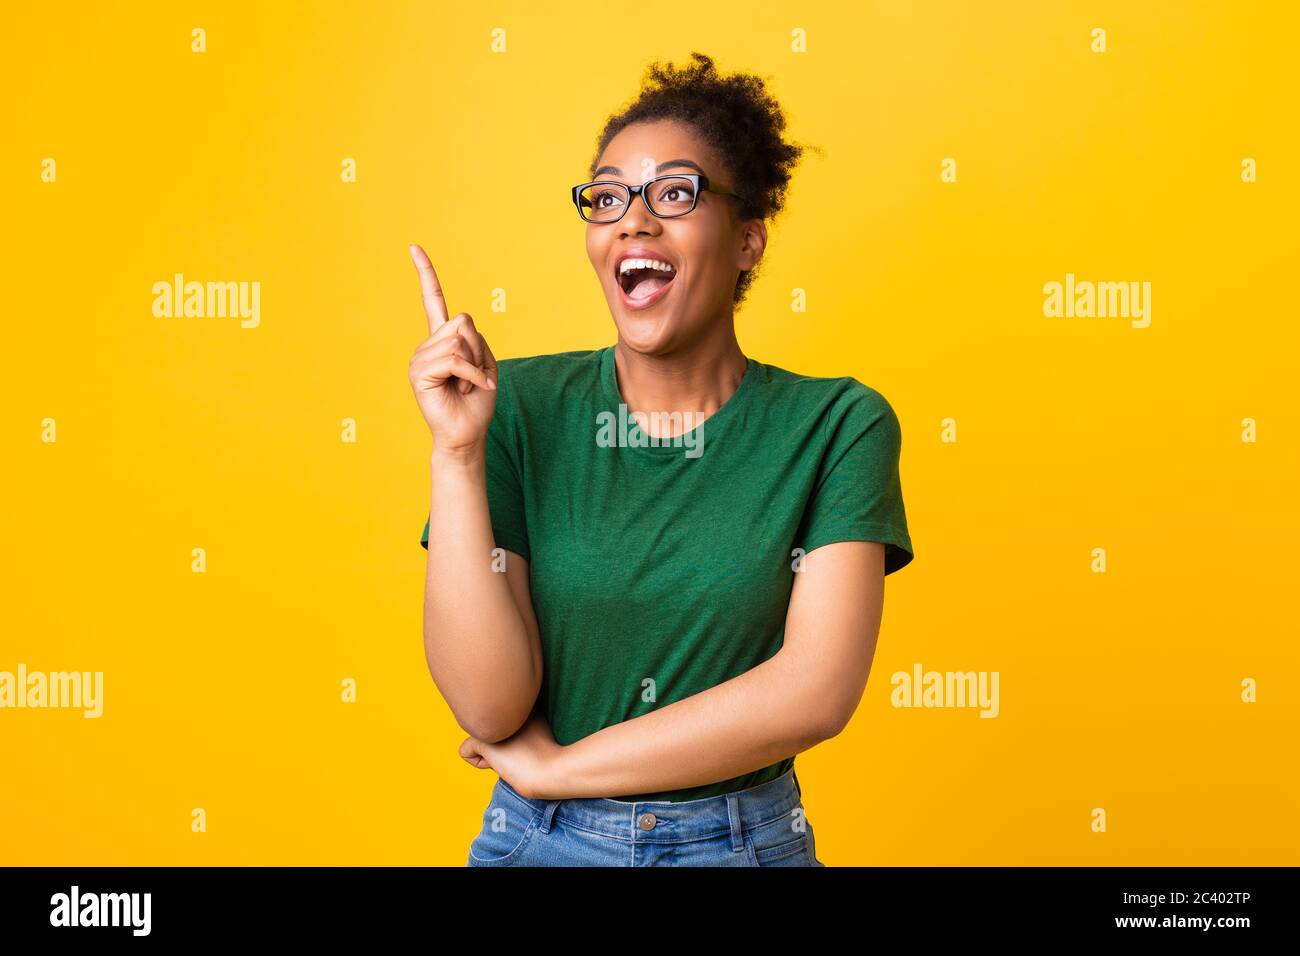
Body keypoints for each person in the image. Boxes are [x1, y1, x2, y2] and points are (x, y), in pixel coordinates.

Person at [408, 52, 914, 866]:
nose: (633, 221)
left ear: (749, 239)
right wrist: (458, 454)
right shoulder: (514, 408)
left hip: (741, 846)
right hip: (537, 843)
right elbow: (490, 707)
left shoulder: (837, 424)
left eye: (674, 193)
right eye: (608, 198)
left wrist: (561, 769)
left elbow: (815, 691)